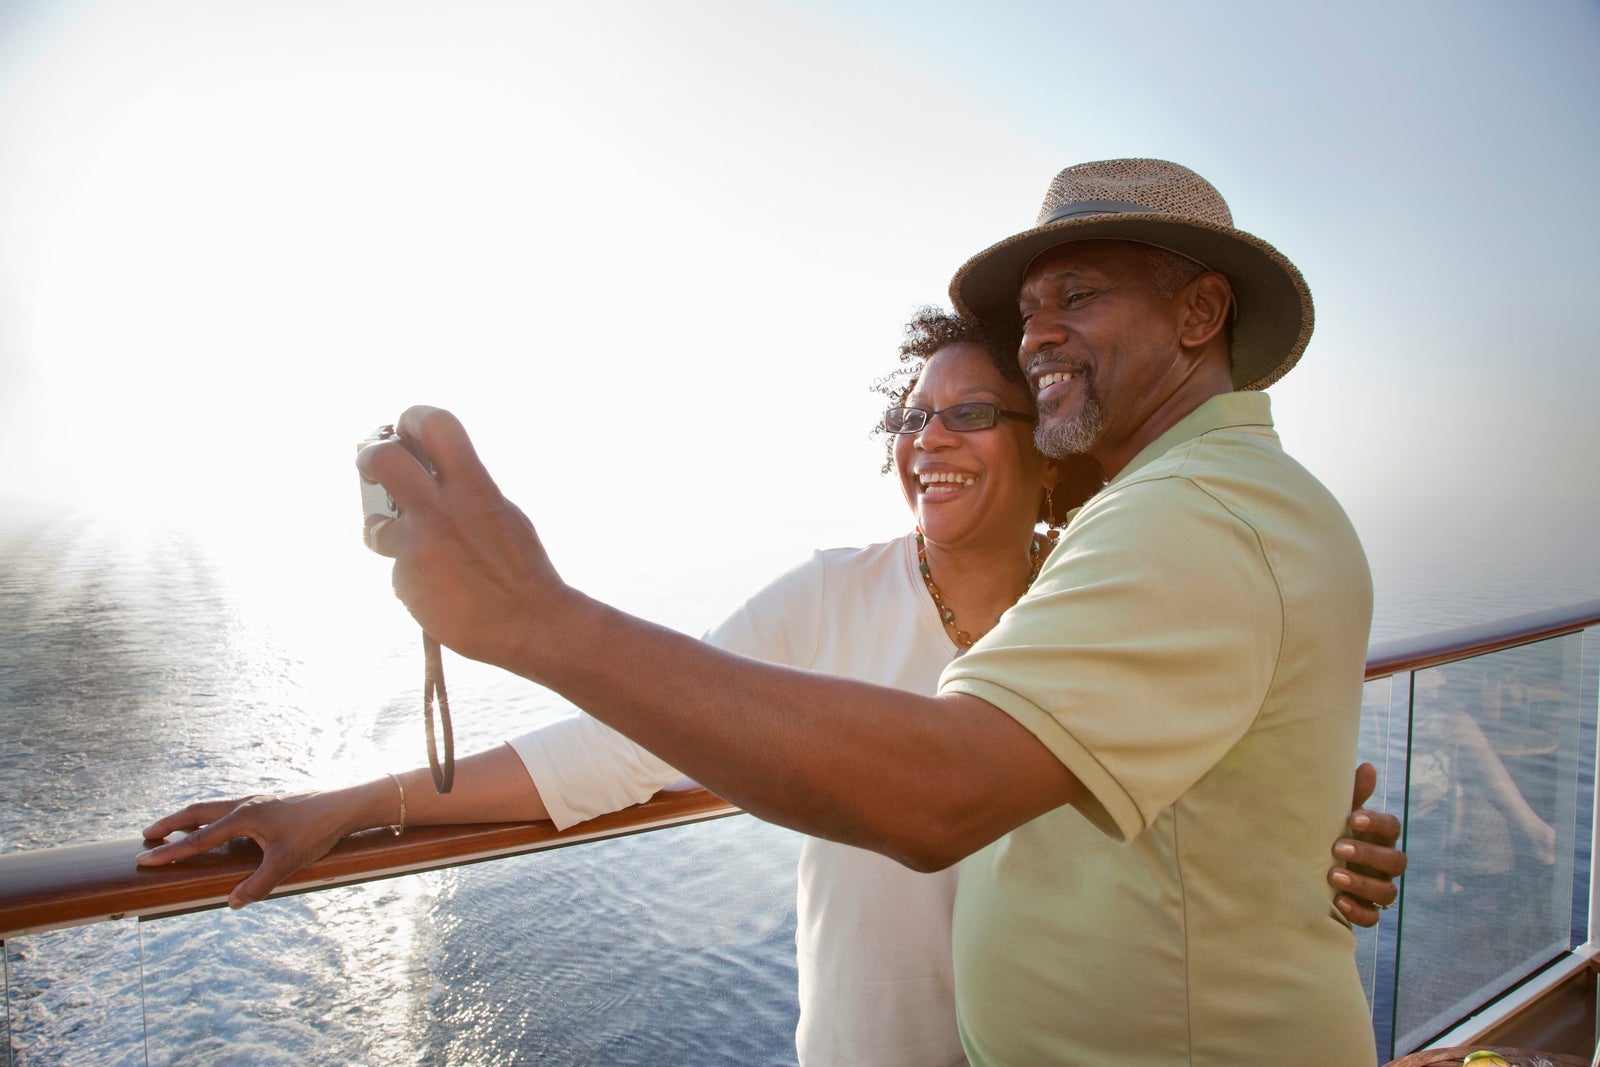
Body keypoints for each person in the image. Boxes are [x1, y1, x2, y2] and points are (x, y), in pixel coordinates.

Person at [149, 159, 1388, 1064]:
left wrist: (533, 613)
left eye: (973, 409)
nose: (930, 438)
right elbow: (621, 745)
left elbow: (942, 789)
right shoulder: (884, 590)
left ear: (1196, 316)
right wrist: (357, 800)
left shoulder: (1164, 536)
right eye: (914, 414)